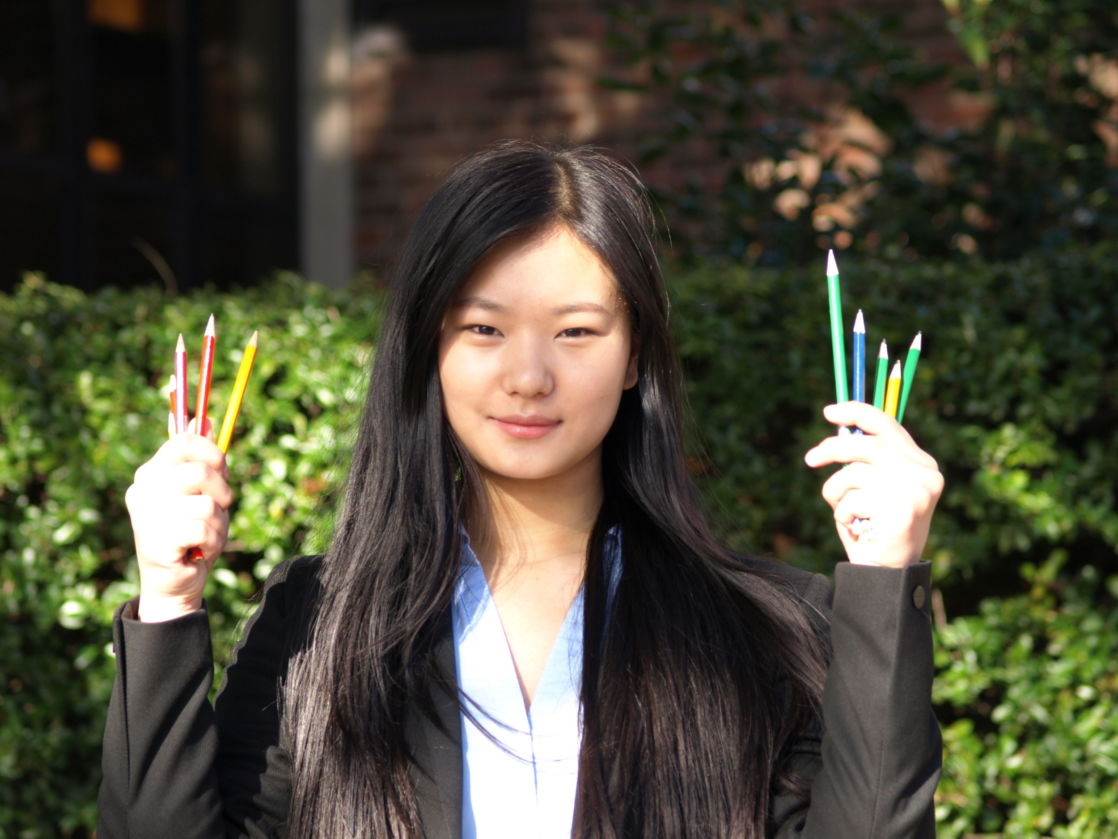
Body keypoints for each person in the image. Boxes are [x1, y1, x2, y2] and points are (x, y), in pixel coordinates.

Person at [99, 142, 944, 839]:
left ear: (636, 354)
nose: (529, 376)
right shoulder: (320, 626)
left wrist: (881, 579)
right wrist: (168, 603)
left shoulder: (761, 625)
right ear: (431, 347)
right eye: (483, 329)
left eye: (577, 331)